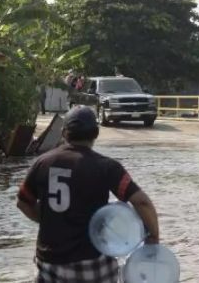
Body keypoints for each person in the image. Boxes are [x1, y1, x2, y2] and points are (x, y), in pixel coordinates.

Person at [16, 105, 160, 282]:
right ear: (96, 133)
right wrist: (153, 236)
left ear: (64, 133)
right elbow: (142, 202)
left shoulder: (42, 163)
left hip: (50, 264)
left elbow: (23, 202)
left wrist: (49, 218)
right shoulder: (107, 167)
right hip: (94, 263)